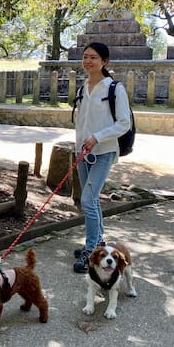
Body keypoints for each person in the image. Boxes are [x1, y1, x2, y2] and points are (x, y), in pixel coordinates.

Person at [72, 42, 132, 273]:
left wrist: (97, 137)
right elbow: (82, 122)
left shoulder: (114, 88)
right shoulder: (83, 87)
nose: (88, 61)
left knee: (87, 199)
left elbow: (124, 123)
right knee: (92, 200)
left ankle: (90, 250)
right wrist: (79, 145)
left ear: (105, 62)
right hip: (82, 152)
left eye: (93, 57)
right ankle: (99, 245)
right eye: (85, 56)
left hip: (103, 151)